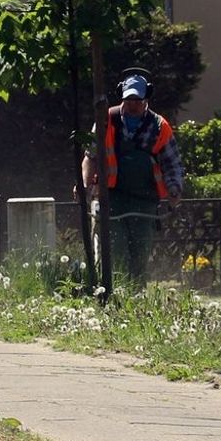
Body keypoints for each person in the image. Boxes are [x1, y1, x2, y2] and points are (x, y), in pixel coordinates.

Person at [81, 72, 183, 287]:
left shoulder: (160, 126)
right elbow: (90, 157)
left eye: (137, 100)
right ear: (122, 96)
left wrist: (174, 189)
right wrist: (85, 186)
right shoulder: (106, 119)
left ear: (146, 98)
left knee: (140, 253)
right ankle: (115, 293)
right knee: (115, 251)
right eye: (129, 99)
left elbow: (171, 164)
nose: (133, 104)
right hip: (111, 199)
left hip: (144, 201)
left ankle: (136, 296)